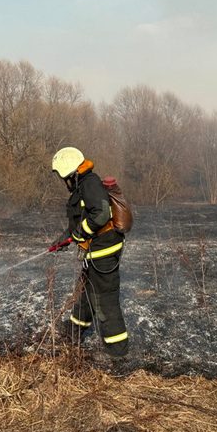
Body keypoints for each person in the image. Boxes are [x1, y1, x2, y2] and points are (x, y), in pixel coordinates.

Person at [51, 147, 128, 356]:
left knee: (106, 302)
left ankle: (118, 352)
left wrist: (79, 234)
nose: (64, 182)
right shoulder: (81, 187)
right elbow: (79, 220)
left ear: (73, 173)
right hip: (93, 255)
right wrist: (63, 240)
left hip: (103, 254)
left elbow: (101, 214)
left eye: (64, 177)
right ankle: (73, 333)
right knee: (85, 294)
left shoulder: (90, 184)